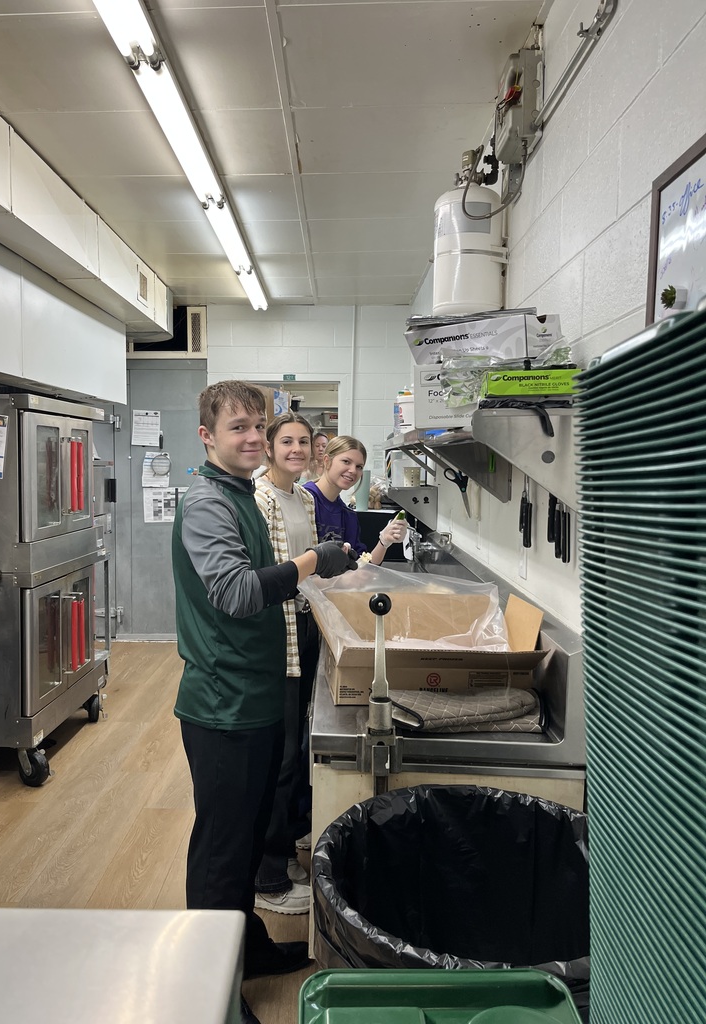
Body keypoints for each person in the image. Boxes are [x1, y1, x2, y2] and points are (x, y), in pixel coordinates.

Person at [171, 381, 357, 1024]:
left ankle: (244, 946)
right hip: (222, 701)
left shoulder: (240, 494)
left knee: (250, 837)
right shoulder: (207, 503)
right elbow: (236, 593)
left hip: (255, 690)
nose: (253, 437)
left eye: (259, 424)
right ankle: (210, 991)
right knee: (222, 851)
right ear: (207, 436)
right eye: (238, 428)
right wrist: (311, 561)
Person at [253, 412, 319, 915]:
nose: (296, 449)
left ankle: (285, 851)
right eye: (287, 441)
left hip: (306, 625)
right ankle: (268, 876)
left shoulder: (303, 498)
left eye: (304, 441)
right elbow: (269, 576)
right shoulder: (262, 498)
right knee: (279, 757)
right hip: (280, 636)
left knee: (295, 750)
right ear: (270, 447)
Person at [303, 435, 407, 563]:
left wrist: (384, 541)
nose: (353, 470)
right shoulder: (305, 499)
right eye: (346, 461)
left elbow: (361, 565)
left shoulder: (347, 515)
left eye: (359, 467)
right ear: (327, 460)